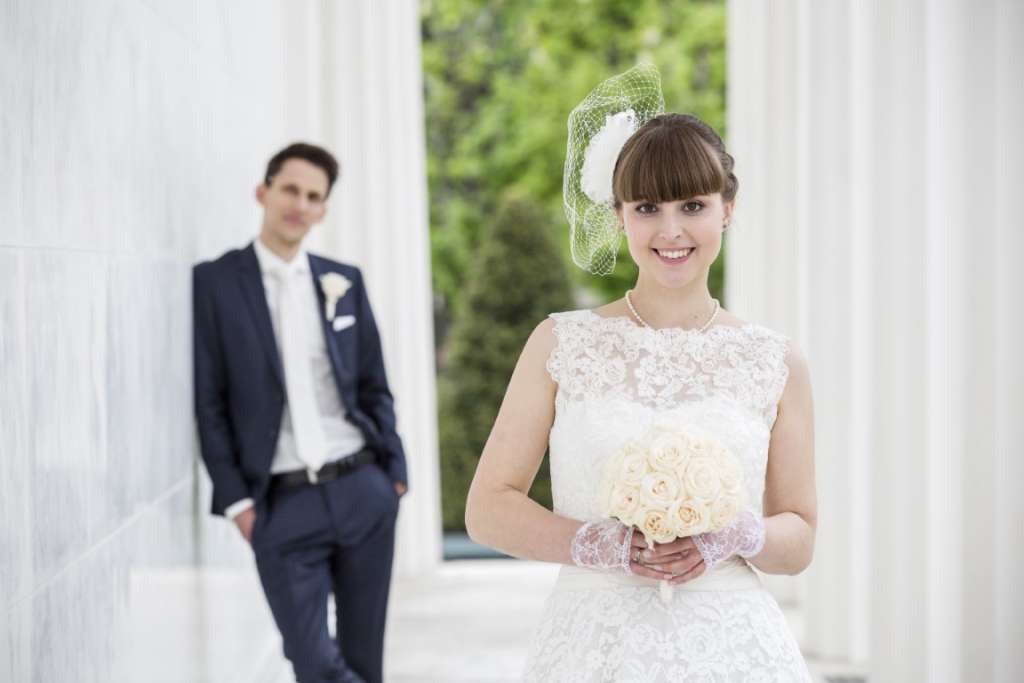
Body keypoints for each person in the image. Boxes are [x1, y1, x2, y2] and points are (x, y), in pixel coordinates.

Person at [465, 66, 816, 681]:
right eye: (648, 206)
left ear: (726, 211)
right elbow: (488, 510)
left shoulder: (776, 361)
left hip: (731, 646)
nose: (671, 230)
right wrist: (600, 545)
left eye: (694, 205)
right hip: (593, 645)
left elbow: (799, 538)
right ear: (620, 214)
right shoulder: (561, 343)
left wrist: (730, 535)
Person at [192, 142, 407, 683]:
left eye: (314, 196)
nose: (300, 204)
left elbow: (374, 384)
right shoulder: (216, 283)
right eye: (290, 189)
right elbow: (209, 400)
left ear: (323, 210)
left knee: (363, 661)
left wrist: (394, 476)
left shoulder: (344, 281)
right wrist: (239, 501)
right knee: (314, 664)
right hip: (282, 504)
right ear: (263, 192)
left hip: (362, 489)